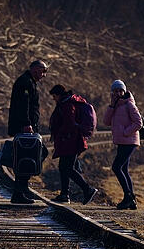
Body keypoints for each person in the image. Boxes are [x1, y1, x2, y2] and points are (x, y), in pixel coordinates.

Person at [48, 84, 98, 204]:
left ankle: (88, 189)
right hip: (69, 141)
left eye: (54, 96)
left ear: (59, 95)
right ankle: (64, 194)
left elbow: (69, 123)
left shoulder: (67, 105)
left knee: (68, 168)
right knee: (63, 167)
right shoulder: (67, 102)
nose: (54, 99)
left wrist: (61, 135)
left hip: (70, 141)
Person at [7, 59, 47, 204]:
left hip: (27, 127)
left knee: (28, 156)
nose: (44, 75)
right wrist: (26, 124)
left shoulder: (29, 81)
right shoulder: (25, 82)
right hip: (24, 127)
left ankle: (21, 189)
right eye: (43, 71)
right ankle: (19, 191)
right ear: (36, 69)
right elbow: (23, 105)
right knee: (28, 156)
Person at [102, 79, 142, 209]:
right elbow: (106, 122)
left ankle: (128, 197)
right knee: (123, 169)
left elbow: (138, 122)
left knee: (116, 167)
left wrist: (126, 132)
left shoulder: (129, 104)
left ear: (124, 91)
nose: (118, 93)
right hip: (122, 142)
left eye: (120, 90)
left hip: (129, 141)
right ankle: (132, 199)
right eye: (115, 91)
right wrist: (112, 106)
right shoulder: (116, 106)